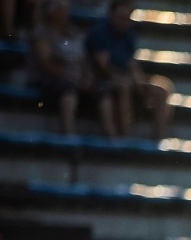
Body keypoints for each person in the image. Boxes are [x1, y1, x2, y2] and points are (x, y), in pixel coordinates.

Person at [87, 0, 173, 140]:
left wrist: (139, 80)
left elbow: (131, 61)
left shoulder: (128, 33)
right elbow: (102, 65)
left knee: (162, 89)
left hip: (126, 77)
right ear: (111, 14)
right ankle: (124, 136)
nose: (123, 22)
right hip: (103, 79)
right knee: (124, 86)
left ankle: (158, 137)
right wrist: (124, 78)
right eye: (120, 18)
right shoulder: (99, 32)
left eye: (127, 18)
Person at [29, 0, 96, 137]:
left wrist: (87, 76)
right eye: (62, 9)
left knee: (102, 91)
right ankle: (68, 133)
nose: (65, 12)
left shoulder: (72, 31)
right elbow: (46, 63)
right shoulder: (41, 32)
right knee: (68, 90)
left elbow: (84, 59)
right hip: (51, 78)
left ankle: (112, 138)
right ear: (52, 12)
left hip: (76, 77)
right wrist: (70, 77)